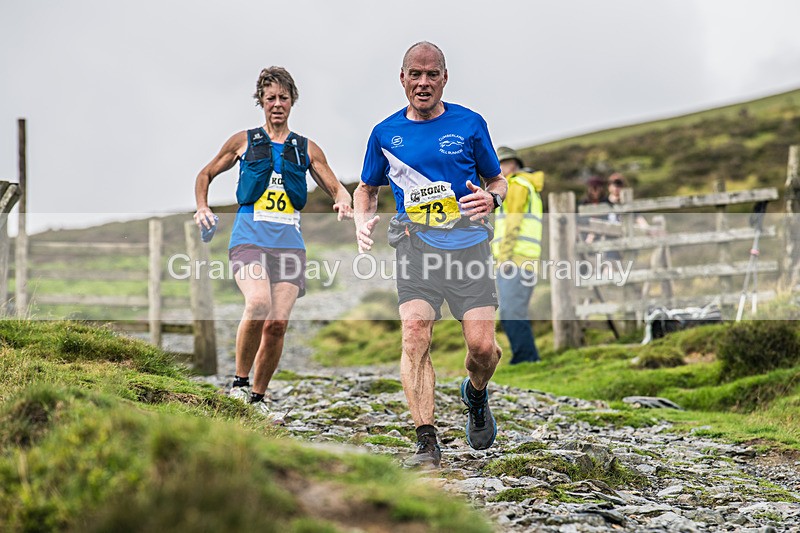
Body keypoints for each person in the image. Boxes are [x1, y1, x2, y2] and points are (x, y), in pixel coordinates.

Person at [354, 41, 507, 468]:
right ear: (402, 78)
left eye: (432, 74)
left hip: (469, 249)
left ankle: (475, 394)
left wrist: (492, 200)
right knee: (415, 333)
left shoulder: (470, 124)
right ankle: (427, 440)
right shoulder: (384, 133)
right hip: (415, 247)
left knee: (483, 349)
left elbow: (497, 180)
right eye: (415, 75)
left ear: (444, 78)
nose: (423, 83)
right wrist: (361, 220)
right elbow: (366, 189)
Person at [193, 67, 352, 420]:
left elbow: (335, 185)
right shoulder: (243, 141)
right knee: (259, 303)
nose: (277, 105)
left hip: (289, 246)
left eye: (283, 98)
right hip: (249, 239)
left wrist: (342, 199)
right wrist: (202, 206)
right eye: (270, 99)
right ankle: (238, 383)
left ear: (292, 101)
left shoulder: (307, 148)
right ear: (261, 102)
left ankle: (259, 397)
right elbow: (205, 174)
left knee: (278, 322)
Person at [492, 146, 544, 364]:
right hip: (525, 260)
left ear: (511, 165)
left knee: (510, 311)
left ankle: (525, 359)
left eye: (500, 165)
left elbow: (512, 224)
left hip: (515, 260)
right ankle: (528, 358)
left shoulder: (515, 186)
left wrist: (503, 259)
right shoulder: (528, 186)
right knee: (515, 311)